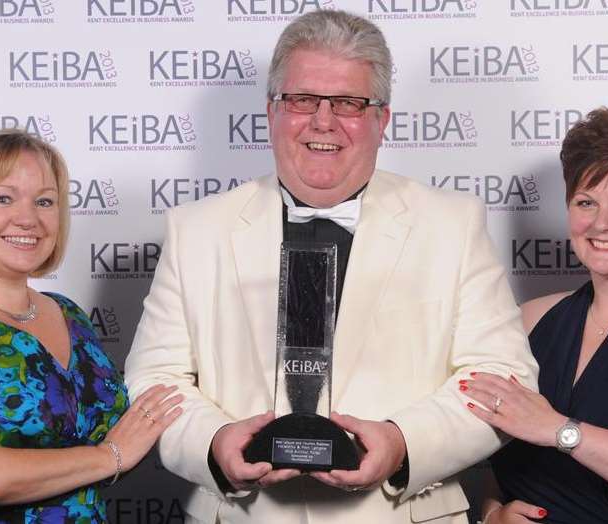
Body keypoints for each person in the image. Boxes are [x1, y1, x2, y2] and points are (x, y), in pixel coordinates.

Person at [124, 9, 538, 524]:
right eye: (302, 100)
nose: (324, 120)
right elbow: (155, 380)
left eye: (348, 102)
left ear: (381, 118)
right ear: (271, 110)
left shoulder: (453, 224)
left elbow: (501, 379)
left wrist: (402, 442)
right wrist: (214, 444)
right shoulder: (195, 229)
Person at [0, 129, 184, 522]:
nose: (28, 218)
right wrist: (109, 456)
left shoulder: (68, 314)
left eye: (44, 201)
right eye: (3, 198)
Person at [460, 107, 608, 523]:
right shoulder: (533, 317)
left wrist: (558, 430)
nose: (601, 224)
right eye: (586, 202)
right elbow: (496, 455)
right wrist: (492, 512)